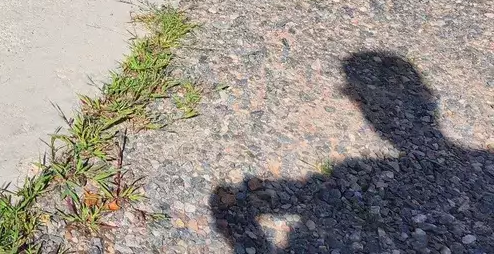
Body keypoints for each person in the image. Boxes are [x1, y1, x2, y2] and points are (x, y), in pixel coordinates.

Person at [211, 52, 494, 252]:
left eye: (361, 98)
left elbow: (305, 194)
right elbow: (304, 194)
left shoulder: (365, 169)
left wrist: (236, 225)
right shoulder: (482, 165)